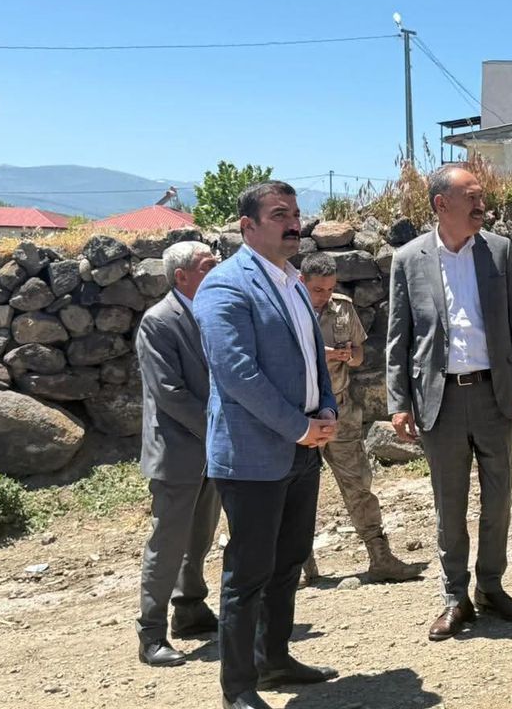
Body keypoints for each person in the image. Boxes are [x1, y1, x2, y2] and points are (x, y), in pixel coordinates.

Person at [193, 181, 340, 709]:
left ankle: (274, 659)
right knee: (248, 573)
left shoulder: (294, 281)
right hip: (253, 454)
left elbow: (313, 358)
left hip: (303, 445)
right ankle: (237, 688)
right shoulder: (225, 286)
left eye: (295, 213)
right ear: (247, 226)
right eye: (280, 214)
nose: (294, 222)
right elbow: (236, 373)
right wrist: (298, 426)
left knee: (289, 560)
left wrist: (326, 409)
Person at [385, 164, 512, 641]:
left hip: (494, 394)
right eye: (471, 196)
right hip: (440, 399)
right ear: (441, 204)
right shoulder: (408, 259)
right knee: (448, 504)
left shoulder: (499, 251)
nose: (481, 205)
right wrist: (399, 401)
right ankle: (455, 597)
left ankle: (491, 586)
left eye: (481, 196)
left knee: (499, 498)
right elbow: (399, 337)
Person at [298, 252, 424, 583]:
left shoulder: (342, 308)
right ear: (301, 282)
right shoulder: (288, 310)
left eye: (329, 289)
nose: (324, 296)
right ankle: (299, 565)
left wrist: (347, 356)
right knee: (297, 491)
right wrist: (320, 354)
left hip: (340, 411)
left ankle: (380, 557)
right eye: (317, 289)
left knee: (358, 485)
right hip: (300, 417)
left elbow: (359, 355)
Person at [135, 240, 221, 667]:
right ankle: (151, 633)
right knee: (167, 542)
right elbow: (169, 393)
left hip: (211, 449)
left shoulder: (212, 312)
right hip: (178, 451)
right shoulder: (158, 321)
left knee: (200, 535)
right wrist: (219, 429)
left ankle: (190, 609)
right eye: (208, 266)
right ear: (182, 276)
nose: (217, 271)